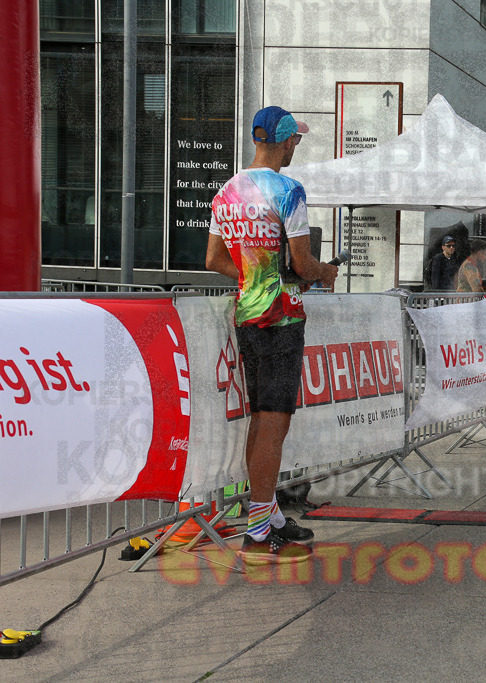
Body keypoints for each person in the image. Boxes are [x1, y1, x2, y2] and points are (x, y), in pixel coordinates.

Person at [206, 105, 339, 565]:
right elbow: (302, 265)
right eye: (295, 139)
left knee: (262, 421)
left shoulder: (227, 190)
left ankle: (268, 517)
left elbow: (214, 260)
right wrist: (323, 273)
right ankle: (259, 531)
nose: (296, 146)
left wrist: (254, 276)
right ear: (285, 140)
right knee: (274, 424)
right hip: (280, 318)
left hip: (247, 313)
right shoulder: (288, 190)